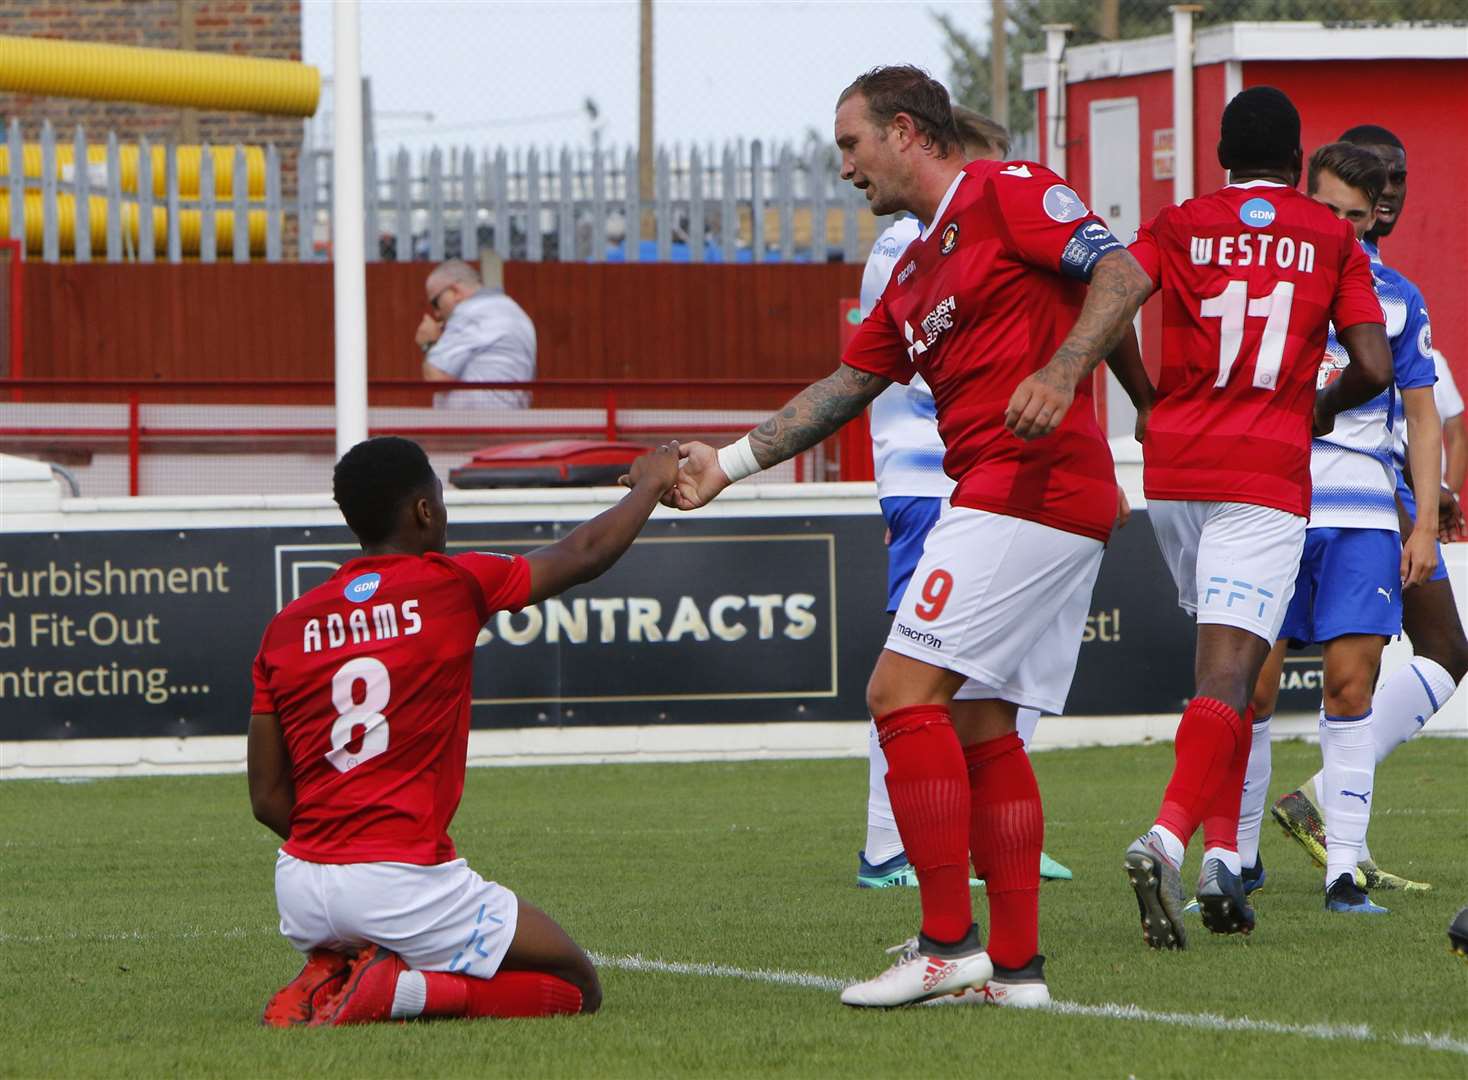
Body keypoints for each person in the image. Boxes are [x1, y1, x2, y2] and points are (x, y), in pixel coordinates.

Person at [661, 65, 1154, 1008]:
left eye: (850, 145)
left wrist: (1063, 374)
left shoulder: (1008, 191)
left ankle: (944, 945)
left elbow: (1123, 275)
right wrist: (724, 464)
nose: (844, 167)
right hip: (1018, 494)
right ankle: (1014, 972)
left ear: (905, 131)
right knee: (979, 723)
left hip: (1030, 484)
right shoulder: (916, 265)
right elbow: (844, 389)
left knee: (898, 692)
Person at [248, 435, 679, 1026]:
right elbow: (583, 553)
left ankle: (341, 965)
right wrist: (653, 482)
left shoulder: (285, 626)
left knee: (397, 932)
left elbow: (267, 799)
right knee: (574, 984)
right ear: (424, 511)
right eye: (440, 502)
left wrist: (337, 849)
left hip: (300, 889)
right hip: (398, 883)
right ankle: (397, 993)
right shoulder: (451, 584)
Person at [1120, 88, 1393, 950]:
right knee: (1230, 675)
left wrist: (1144, 398)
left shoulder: (1178, 222)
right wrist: (1321, 405)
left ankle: (1226, 858)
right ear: (1297, 156)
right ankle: (1169, 837)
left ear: (1221, 155)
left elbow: (1111, 293)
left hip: (1174, 469)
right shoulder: (1330, 237)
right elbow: (1377, 367)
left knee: (1224, 668)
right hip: (1261, 469)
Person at [856, 106, 1077, 892]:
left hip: (1009, 473)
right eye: (992, 161)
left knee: (978, 690)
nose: (999, 176)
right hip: (934, 473)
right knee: (916, 676)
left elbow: (1104, 283)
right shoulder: (907, 248)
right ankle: (893, 846)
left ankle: (985, 921)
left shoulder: (991, 215)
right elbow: (883, 368)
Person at [1239, 142, 1439, 917]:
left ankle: (1344, 872)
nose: (1343, 229)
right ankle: (1238, 860)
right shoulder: (1260, 284)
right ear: (1301, 200)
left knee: (1351, 687)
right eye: (1328, 212)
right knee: (1250, 690)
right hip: (1267, 505)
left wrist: (1421, 525)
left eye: (1357, 218)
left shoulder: (1398, 298)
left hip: (1360, 515)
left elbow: (1422, 420)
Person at [416, 259, 537, 409]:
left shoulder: (469, 312)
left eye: (436, 302)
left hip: (475, 426)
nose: (437, 313)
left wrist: (429, 343)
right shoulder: (514, 310)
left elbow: (437, 378)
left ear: (455, 292)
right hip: (510, 421)